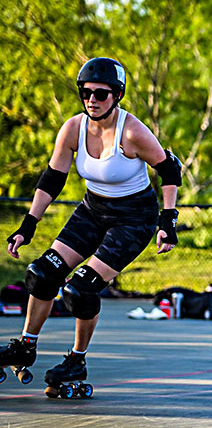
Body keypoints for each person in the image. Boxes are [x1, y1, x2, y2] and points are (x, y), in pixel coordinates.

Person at [0, 57, 181, 398]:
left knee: (80, 291)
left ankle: (77, 360)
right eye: (86, 93)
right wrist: (28, 224)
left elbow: (169, 170)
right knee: (41, 273)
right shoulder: (72, 129)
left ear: (117, 96)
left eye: (101, 93)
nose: (92, 100)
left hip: (133, 218)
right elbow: (53, 178)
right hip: (92, 210)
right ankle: (26, 344)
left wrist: (167, 222)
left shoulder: (132, 132)